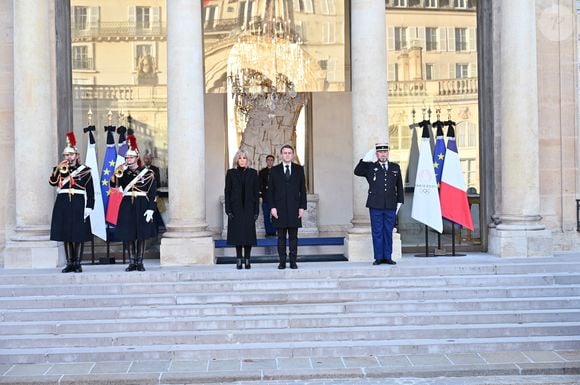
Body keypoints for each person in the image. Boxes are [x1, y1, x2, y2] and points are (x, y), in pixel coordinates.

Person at [110, 134, 157, 272]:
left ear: (137, 158)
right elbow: (113, 187)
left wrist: (151, 209)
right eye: (126, 158)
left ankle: (140, 261)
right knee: (128, 234)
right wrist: (115, 174)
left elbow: (152, 193)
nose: (128, 160)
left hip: (142, 203)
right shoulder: (122, 172)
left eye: (130, 157)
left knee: (141, 234)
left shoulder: (148, 173)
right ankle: (132, 261)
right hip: (127, 204)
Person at [49, 132, 94, 273]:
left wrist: (89, 207)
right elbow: (52, 182)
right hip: (63, 204)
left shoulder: (85, 171)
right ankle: (69, 263)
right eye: (66, 155)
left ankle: (78, 263)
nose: (68, 157)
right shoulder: (60, 169)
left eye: (71, 155)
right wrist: (57, 169)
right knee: (66, 234)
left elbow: (91, 191)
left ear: (76, 156)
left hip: (78, 203)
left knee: (78, 235)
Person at [354, 142, 404, 266]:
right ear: (376, 154)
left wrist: (400, 201)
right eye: (380, 152)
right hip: (375, 205)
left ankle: (388, 256)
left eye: (385, 152)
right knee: (377, 231)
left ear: (388, 153)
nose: (383, 154)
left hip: (391, 205)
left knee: (388, 231)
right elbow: (357, 171)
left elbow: (399, 186)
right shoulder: (370, 167)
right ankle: (378, 257)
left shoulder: (395, 167)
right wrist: (365, 158)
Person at [267, 144, 307, 270]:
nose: (287, 155)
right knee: (281, 237)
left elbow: (303, 190)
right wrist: (272, 207)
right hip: (279, 209)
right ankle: (282, 261)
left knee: (294, 237)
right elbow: (271, 191)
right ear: (281, 155)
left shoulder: (299, 169)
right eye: (285, 153)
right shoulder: (274, 170)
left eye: (289, 153)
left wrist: (302, 207)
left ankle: (293, 261)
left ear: (293, 155)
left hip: (295, 208)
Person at [224, 149, 260, 269]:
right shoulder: (230, 173)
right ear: (236, 160)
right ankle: (239, 259)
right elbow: (227, 192)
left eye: (244, 158)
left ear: (247, 160)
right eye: (240, 158)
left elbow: (256, 193)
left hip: (249, 209)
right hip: (235, 209)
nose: (242, 160)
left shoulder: (253, 173)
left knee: (248, 235)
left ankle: (248, 259)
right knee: (238, 235)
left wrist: (256, 211)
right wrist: (228, 210)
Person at [142, 153, 165, 231]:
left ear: (151, 159)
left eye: (149, 158)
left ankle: (155, 230)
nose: (147, 160)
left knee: (155, 212)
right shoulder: (140, 169)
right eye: (146, 158)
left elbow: (157, 181)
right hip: (143, 194)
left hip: (153, 193)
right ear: (143, 159)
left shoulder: (155, 169)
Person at [258, 154, 276, 236]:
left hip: (275, 198)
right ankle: (268, 232)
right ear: (266, 161)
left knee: (274, 216)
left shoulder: (277, 171)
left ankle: (273, 231)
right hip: (265, 197)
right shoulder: (262, 172)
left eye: (271, 160)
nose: (270, 161)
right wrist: (260, 196)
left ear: (273, 161)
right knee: (266, 215)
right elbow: (259, 185)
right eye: (268, 160)